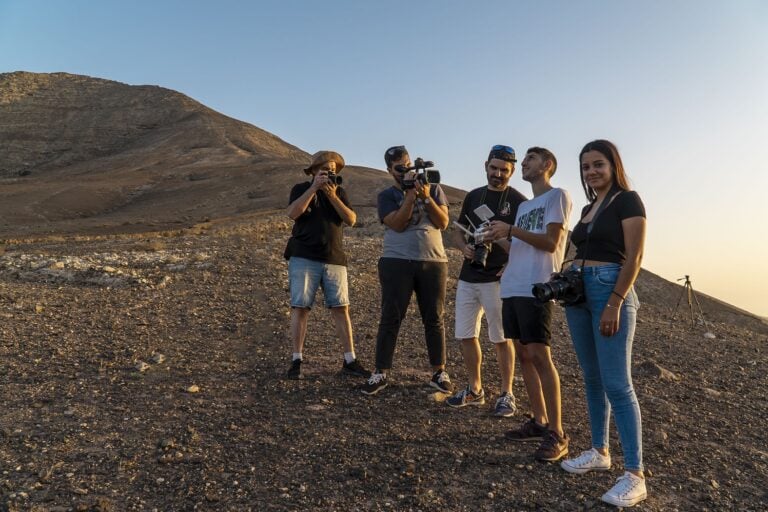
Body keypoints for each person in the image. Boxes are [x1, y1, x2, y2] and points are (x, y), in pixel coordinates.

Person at [558, 140, 647, 508]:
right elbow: (584, 249)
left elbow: (635, 256)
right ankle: (599, 450)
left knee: (617, 384)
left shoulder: (628, 199)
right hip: (579, 293)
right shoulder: (588, 207)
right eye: (585, 167)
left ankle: (635, 475)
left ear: (613, 165)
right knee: (591, 377)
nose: (591, 172)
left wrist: (615, 301)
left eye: (598, 164)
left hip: (609, 291)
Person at [485, 147, 573, 462]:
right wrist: (498, 237)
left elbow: (550, 242)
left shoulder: (557, 196)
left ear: (547, 165)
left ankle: (558, 433)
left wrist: (511, 229)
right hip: (513, 284)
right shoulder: (524, 207)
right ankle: (539, 421)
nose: (523, 164)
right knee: (523, 354)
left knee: (539, 354)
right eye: (523, 160)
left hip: (537, 285)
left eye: (530, 159)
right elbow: (520, 244)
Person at [361, 145, 453, 396]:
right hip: (397, 260)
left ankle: (439, 371)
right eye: (399, 168)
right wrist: (411, 197)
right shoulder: (386, 196)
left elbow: (443, 222)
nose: (405, 172)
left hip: (433, 261)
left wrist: (425, 196)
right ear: (389, 170)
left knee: (434, 317)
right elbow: (398, 224)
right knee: (391, 316)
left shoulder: (434, 189)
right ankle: (380, 372)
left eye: (407, 165)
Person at [445, 145, 526, 417]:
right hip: (469, 275)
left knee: (501, 338)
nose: (498, 174)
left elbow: (525, 244)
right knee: (466, 335)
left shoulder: (518, 201)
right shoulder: (473, 196)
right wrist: (463, 249)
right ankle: (474, 388)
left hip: (497, 279)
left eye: (504, 170)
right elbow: (457, 232)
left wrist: (507, 258)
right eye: (494, 168)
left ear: (512, 171)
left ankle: (507, 393)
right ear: (485, 166)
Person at [283, 150, 370, 380]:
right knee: (300, 307)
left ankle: (350, 359)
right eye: (325, 170)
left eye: (333, 171)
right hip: (303, 256)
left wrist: (332, 196)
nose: (330, 174)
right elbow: (292, 213)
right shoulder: (301, 189)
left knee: (342, 308)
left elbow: (351, 219)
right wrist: (314, 188)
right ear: (313, 171)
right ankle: (296, 359)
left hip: (334, 258)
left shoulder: (339, 192)